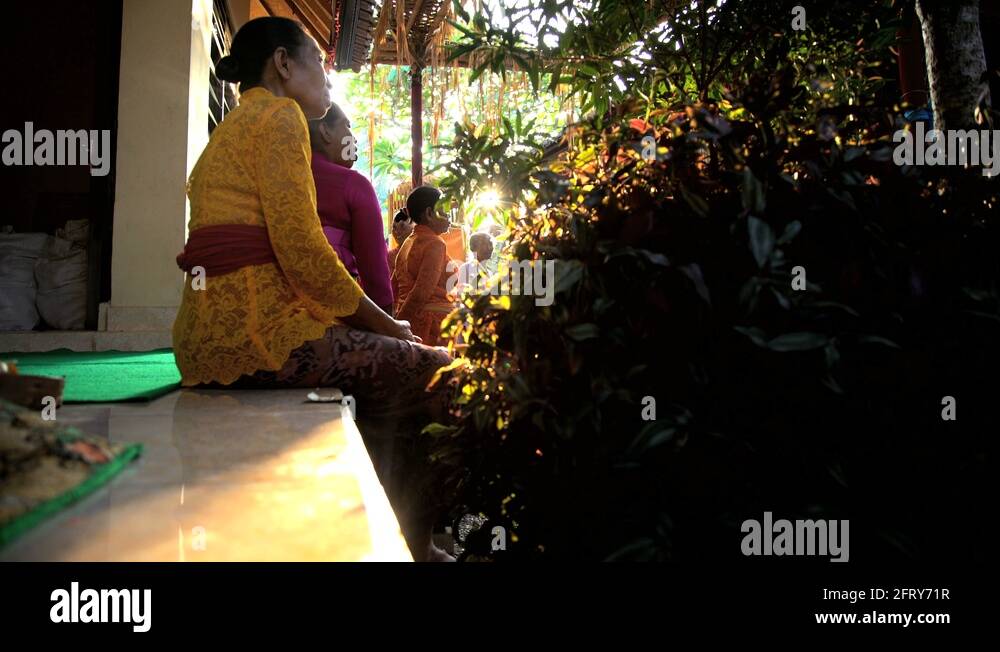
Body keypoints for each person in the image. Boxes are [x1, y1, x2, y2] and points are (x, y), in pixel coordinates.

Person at [172, 17, 453, 561]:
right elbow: (302, 250)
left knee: (387, 380)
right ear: (282, 63)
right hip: (259, 341)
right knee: (439, 369)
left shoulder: (230, 128)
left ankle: (370, 528)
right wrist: (384, 323)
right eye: (319, 65)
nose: (327, 80)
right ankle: (415, 544)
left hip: (203, 341)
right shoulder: (280, 118)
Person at [307, 103, 393, 314]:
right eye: (347, 126)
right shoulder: (353, 184)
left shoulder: (281, 177)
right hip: (336, 311)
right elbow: (375, 274)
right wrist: (388, 321)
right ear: (325, 131)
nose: (354, 139)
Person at [390, 186, 454, 346]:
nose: (449, 217)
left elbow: (393, 287)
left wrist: (395, 319)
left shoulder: (408, 242)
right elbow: (421, 292)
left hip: (412, 321)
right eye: (444, 211)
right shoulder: (435, 243)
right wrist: (397, 324)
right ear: (429, 213)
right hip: (430, 325)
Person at [456, 231, 494, 295]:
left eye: (490, 244)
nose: (489, 248)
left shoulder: (494, 270)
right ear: (473, 248)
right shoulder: (466, 269)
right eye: (484, 244)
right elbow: (461, 294)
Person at [386, 210, 415, 295]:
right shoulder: (389, 256)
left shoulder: (425, 249)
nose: (397, 231)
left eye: (402, 226)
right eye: (394, 227)